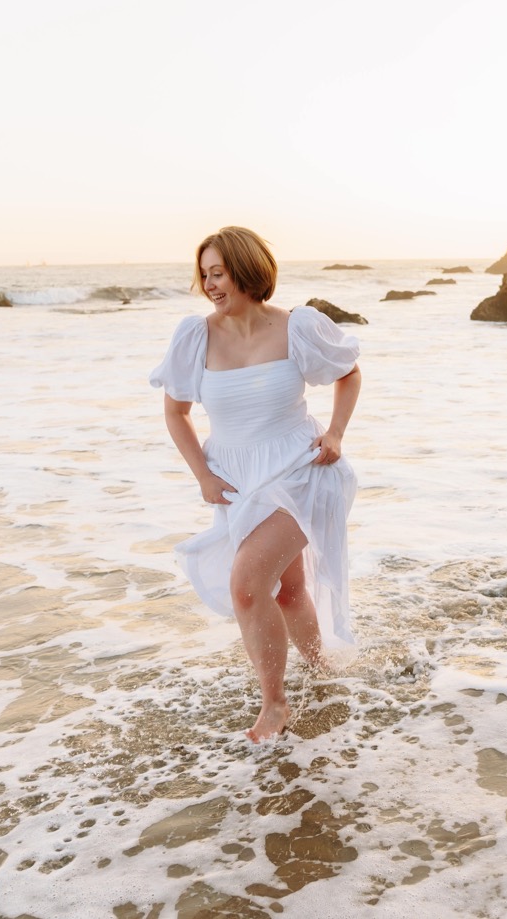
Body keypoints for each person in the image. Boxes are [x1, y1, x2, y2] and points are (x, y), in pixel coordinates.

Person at [149, 226, 362, 742]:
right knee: (288, 590)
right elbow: (176, 412)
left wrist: (335, 432)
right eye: (204, 275)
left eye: (217, 273)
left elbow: (348, 374)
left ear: (245, 270)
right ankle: (318, 673)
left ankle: (275, 704)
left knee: (246, 586)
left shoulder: (299, 327)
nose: (210, 285)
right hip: (239, 480)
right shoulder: (196, 336)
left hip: (301, 471)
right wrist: (202, 473)